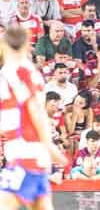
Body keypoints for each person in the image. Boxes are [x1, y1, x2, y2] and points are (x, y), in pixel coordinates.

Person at [0, 25, 67, 210]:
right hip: (26, 150)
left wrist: (49, 146)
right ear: (28, 44)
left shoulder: (21, 72)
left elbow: (37, 111)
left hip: (25, 149)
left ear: (3, 44)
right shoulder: (12, 71)